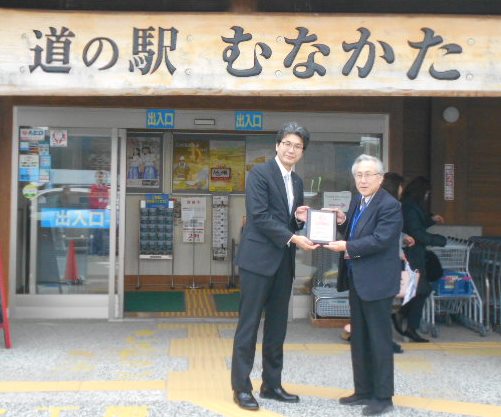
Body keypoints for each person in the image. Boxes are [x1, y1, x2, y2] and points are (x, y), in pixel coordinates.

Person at [231, 122, 320, 411]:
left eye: (298, 146)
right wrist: (294, 236)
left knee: (278, 327)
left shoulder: (297, 182)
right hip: (257, 262)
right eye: (287, 144)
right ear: (277, 146)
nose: (291, 149)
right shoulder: (259, 174)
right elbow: (259, 216)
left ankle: (271, 384)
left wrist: (300, 219)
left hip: (283, 262)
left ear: (302, 152)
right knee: (249, 325)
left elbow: (285, 220)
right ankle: (241, 387)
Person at [324, 154, 402, 416]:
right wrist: (342, 221)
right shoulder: (359, 200)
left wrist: (347, 246)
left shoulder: (389, 205)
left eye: (369, 174)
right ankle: (363, 390)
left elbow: (380, 239)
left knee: (379, 340)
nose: (363, 179)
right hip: (358, 280)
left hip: (378, 282)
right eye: (359, 175)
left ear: (380, 178)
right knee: (359, 338)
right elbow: (357, 230)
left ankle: (383, 397)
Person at [394, 176, 446, 343]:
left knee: (420, 290)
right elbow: (416, 232)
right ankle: (408, 325)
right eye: (427, 193)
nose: (427, 196)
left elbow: (417, 225)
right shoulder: (409, 207)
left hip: (414, 254)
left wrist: (431, 220)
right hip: (413, 255)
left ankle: (404, 319)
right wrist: (439, 240)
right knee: (421, 290)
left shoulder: (410, 206)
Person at [382, 172, 416, 354]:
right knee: (384, 305)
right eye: (401, 186)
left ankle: (380, 341)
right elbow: (387, 235)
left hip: (387, 261)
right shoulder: (392, 205)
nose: (403, 190)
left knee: (382, 305)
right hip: (388, 263)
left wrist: (403, 238)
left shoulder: (382, 203)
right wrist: (400, 252)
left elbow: (391, 233)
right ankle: (386, 343)